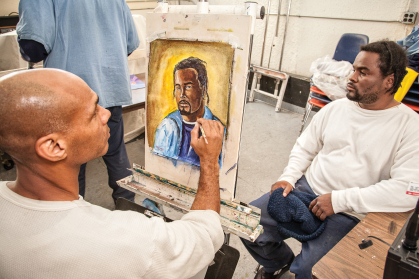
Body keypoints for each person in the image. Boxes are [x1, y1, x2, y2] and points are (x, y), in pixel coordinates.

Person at [0, 69, 225, 278]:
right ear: (55, 147)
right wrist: (209, 161)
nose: (106, 114)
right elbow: (204, 234)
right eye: (93, 112)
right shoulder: (127, 241)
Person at [241, 40, 419, 279]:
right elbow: (305, 147)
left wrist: (340, 200)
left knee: (310, 271)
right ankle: (278, 264)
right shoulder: (336, 109)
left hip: (351, 211)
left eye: (363, 72)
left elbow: (405, 192)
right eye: (354, 69)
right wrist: (288, 177)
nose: (352, 77)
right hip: (305, 189)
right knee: (244, 222)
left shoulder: (409, 126)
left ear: (389, 80)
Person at [16, 0, 139, 203]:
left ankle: (73, 220)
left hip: (70, 98)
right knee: (116, 156)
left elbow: (33, 48)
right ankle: (130, 211)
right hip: (109, 92)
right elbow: (129, 44)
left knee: (70, 165)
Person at [153, 57, 224, 166]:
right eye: (178, 87)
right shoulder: (167, 127)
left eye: (188, 87)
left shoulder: (218, 131)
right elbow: (157, 166)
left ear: (203, 90)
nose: (182, 95)